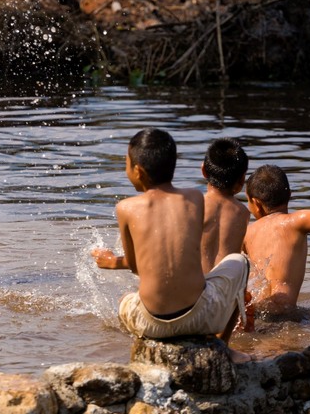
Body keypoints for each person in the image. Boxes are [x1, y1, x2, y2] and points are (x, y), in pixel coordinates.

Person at [91, 128, 249, 359]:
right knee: (241, 262)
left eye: (126, 163)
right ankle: (222, 348)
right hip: (202, 317)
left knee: (125, 300)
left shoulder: (125, 208)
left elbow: (136, 266)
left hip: (151, 323)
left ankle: (146, 350)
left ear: (138, 171)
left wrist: (110, 261)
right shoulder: (194, 198)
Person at [242, 136, 310, 319]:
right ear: (289, 195)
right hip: (285, 314)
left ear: (256, 204)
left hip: (257, 312)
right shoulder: (295, 222)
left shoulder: (246, 233)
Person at [201, 138, 250, 273]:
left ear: (203, 170)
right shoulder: (243, 212)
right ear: (242, 179)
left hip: (196, 286)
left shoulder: (194, 206)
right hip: (226, 289)